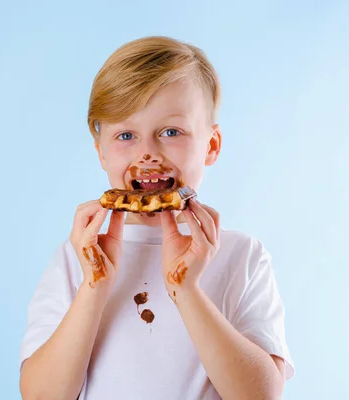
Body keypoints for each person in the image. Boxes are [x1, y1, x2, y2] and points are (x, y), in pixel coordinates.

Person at [18, 36, 294, 400]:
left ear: (211, 145)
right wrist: (93, 289)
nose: (147, 153)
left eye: (170, 132)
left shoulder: (243, 256)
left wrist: (187, 289)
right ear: (102, 153)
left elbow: (262, 395)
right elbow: (41, 396)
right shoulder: (77, 262)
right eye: (126, 135)